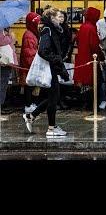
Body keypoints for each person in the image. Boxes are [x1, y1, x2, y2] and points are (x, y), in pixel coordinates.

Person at [22, 8, 71, 137]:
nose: (62, 19)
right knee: (54, 97)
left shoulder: (54, 29)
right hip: (49, 68)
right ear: (52, 18)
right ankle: (51, 127)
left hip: (53, 67)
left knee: (53, 97)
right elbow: (43, 51)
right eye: (59, 16)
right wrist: (56, 59)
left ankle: (31, 116)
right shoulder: (47, 30)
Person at [74, 7, 104, 109]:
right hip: (90, 59)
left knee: (83, 83)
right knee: (93, 81)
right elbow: (94, 45)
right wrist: (101, 56)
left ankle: (84, 102)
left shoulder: (83, 27)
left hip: (82, 58)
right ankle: (91, 104)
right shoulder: (91, 28)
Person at [19, 12, 40, 114]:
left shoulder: (32, 33)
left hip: (31, 64)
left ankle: (30, 104)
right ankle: (28, 105)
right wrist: (34, 64)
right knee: (28, 86)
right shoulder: (29, 35)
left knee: (31, 85)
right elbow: (29, 52)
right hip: (29, 65)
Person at [0, 27, 17, 113]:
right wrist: (11, 36)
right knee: (2, 83)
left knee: (3, 83)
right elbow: (1, 40)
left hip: (5, 60)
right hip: (3, 61)